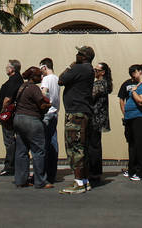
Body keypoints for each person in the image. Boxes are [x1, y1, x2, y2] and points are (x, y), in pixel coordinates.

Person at [58, 45, 95, 194]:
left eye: (79, 53)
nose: (76, 55)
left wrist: (70, 66)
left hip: (75, 113)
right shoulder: (89, 70)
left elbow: (61, 80)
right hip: (84, 111)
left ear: (84, 56)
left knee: (74, 147)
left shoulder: (79, 68)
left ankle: (78, 182)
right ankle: (84, 181)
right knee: (83, 147)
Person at [12, 66, 52, 189]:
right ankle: (40, 181)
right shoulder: (34, 88)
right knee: (38, 151)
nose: (41, 77)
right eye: (39, 75)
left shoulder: (22, 87)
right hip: (32, 120)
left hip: (18, 119)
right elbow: (41, 105)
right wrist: (49, 104)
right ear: (32, 76)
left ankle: (20, 180)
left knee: (21, 151)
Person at [123, 64, 142, 181]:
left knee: (141, 146)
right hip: (131, 118)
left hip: (140, 118)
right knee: (133, 145)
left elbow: (141, 101)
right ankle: (133, 170)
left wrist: (134, 92)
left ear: (140, 72)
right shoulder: (138, 85)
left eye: (134, 72)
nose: (132, 75)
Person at [0, 59, 22, 177]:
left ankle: (10, 166)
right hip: (13, 114)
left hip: (9, 115)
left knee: (9, 140)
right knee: (12, 140)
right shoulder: (18, 80)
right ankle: (13, 165)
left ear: (12, 69)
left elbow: (8, 98)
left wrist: (2, 111)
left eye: (8, 66)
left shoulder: (14, 80)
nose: (6, 68)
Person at [88, 62, 112, 182]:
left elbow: (91, 96)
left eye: (96, 70)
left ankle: (94, 171)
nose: (94, 71)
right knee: (94, 144)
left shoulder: (100, 84)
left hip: (96, 118)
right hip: (97, 118)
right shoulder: (102, 84)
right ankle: (94, 170)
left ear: (102, 72)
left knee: (94, 145)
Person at [38, 58, 61, 185]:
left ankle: (44, 173)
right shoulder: (57, 79)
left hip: (47, 113)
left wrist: (41, 104)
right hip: (55, 113)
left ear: (45, 67)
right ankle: (52, 173)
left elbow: (44, 94)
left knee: (44, 144)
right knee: (53, 142)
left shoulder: (46, 79)